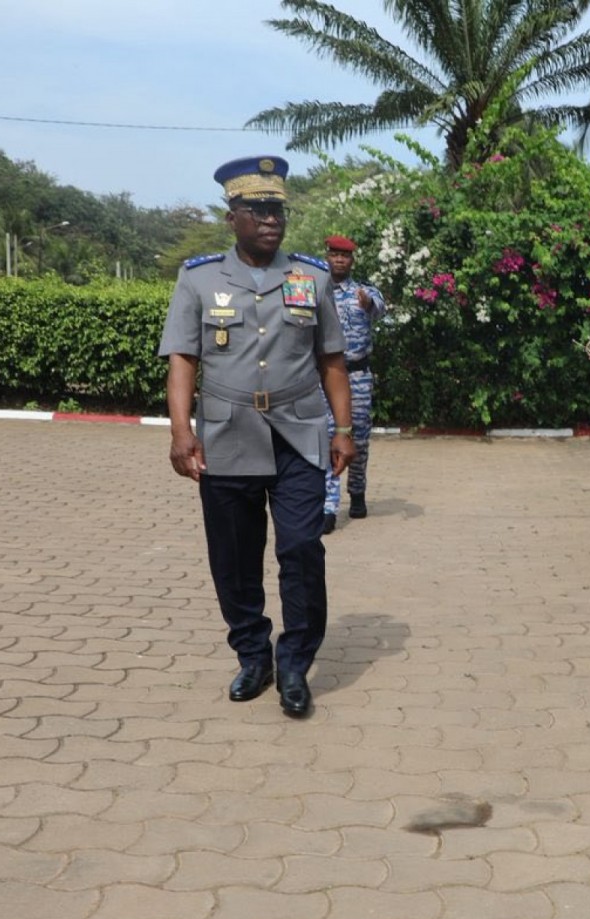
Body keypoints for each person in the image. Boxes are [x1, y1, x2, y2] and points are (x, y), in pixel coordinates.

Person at [159, 156, 356, 717]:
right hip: (227, 434)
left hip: (298, 434)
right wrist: (181, 431)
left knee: (300, 547)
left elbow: (332, 361)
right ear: (233, 216)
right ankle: (253, 654)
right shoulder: (199, 278)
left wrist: (343, 430)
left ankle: (295, 661)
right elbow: (183, 359)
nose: (272, 219)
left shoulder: (312, 277)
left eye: (279, 210)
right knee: (235, 557)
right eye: (259, 209)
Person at [320, 234, 386, 534]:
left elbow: (379, 308)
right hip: (323, 376)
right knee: (326, 438)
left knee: (357, 440)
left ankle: (357, 491)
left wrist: (368, 302)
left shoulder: (364, 291)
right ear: (327, 256)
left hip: (357, 376)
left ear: (352, 260)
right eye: (334, 255)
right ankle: (328, 507)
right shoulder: (316, 291)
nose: (339, 260)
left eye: (344, 256)